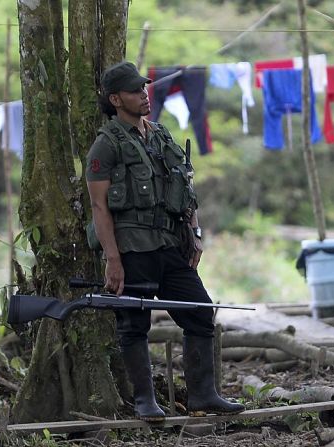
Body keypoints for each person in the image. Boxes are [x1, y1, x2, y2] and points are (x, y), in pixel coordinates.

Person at [85, 61, 244, 421]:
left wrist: (195, 233)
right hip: (131, 248)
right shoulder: (105, 146)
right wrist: (112, 259)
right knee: (133, 325)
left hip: (170, 246)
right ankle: (145, 401)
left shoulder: (160, 135)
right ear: (115, 99)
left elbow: (185, 187)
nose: (144, 94)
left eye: (144, 88)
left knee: (200, 313)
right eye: (134, 90)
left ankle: (203, 394)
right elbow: (99, 206)